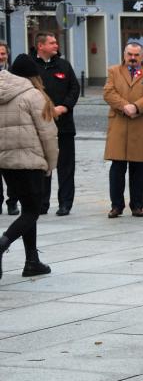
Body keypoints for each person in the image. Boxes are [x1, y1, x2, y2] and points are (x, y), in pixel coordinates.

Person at [0, 54, 59, 281]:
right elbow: (48, 134)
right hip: (31, 161)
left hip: (6, 162)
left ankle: (31, 261)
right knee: (32, 211)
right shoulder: (33, 95)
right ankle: (3, 244)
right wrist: (51, 164)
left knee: (26, 209)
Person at [103, 43, 143, 218]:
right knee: (117, 167)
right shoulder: (113, 71)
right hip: (119, 123)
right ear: (124, 54)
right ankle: (116, 205)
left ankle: (137, 205)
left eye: (136, 55)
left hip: (141, 123)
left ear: (142, 56)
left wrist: (136, 106)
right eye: (130, 54)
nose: (133, 58)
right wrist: (124, 106)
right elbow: (108, 92)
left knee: (140, 167)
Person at [33, 32, 80, 216]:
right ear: (40, 46)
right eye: (52, 43)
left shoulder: (63, 65)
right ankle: (42, 203)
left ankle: (65, 203)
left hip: (64, 125)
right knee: (43, 165)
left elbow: (74, 88)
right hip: (40, 126)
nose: (56, 45)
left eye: (56, 42)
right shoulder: (31, 66)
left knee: (66, 166)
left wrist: (65, 107)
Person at [0, 41, 19, 216]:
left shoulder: (15, 75)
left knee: (11, 169)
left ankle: (12, 202)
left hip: (11, 126)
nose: (0, 57)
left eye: (3, 54)